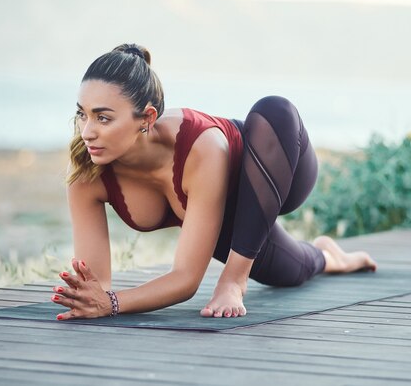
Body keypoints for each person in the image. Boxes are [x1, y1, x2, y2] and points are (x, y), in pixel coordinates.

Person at [52, 43, 377, 321]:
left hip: (274, 162)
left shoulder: (201, 147)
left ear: (147, 119)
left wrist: (112, 305)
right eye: (83, 114)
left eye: (103, 117)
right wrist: (91, 298)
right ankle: (330, 255)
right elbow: (96, 285)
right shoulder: (87, 171)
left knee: (273, 110)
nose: (87, 131)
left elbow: (186, 279)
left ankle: (235, 280)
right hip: (221, 216)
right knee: (292, 272)